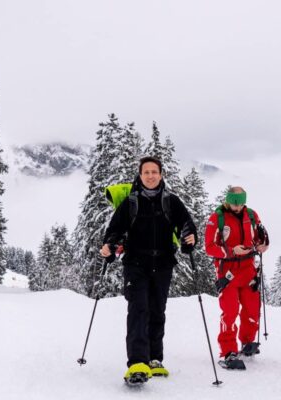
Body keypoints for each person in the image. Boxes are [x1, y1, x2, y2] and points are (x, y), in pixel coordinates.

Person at [100, 156, 197, 384]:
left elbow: (186, 225)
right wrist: (109, 247)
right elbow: (115, 230)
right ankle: (137, 363)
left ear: (161, 175)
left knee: (157, 310)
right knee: (138, 309)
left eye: (154, 172)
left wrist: (189, 238)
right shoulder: (131, 202)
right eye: (146, 172)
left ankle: (154, 359)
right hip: (135, 264)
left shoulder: (172, 201)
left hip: (163, 264)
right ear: (140, 175)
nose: (151, 176)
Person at [204, 186, 269, 369]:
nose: (237, 206)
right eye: (234, 202)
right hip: (228, 270)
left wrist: (262, 245)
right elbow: (209, 247)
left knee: (252, 308)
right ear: (228, 200)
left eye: (240, 203)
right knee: (230, 311)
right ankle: (228, 351)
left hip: (249, 268)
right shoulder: (217, 218)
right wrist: (231, 250)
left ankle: (247, 342)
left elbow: (259, 237)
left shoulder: (252, 215)